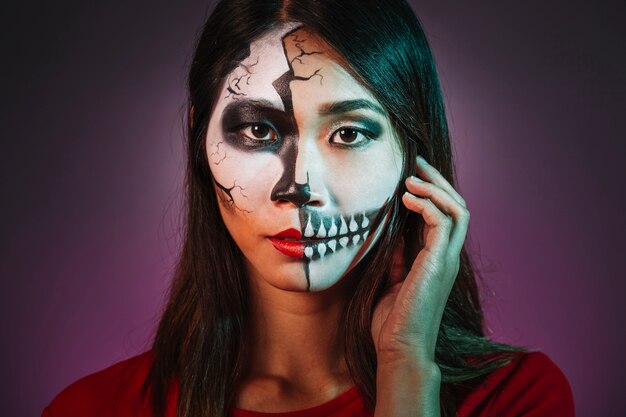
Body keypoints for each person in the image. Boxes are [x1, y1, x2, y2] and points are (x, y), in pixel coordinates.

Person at [41, 0, 575, 416]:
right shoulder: (91, 409)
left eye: (348, 132)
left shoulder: (514, 399)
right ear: (198, 137)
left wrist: (405, 368)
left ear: (415, 152)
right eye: (257, 129)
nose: (299, 186)